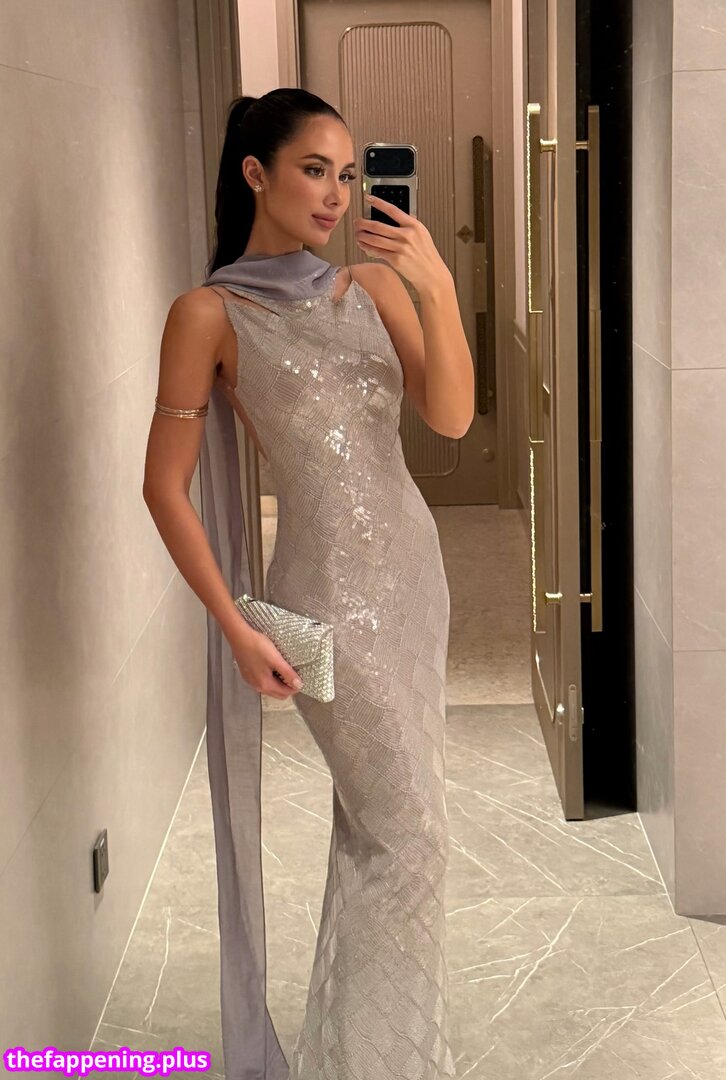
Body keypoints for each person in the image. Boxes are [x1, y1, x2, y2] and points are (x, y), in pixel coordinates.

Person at [142, 87, 474, 1080]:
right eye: (313, 170)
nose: (334, 194)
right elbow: (162, 488)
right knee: (410, 840)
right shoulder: (207, 314)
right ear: (257, 174)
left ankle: (354, 1054)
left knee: (384, 828)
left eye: (346, 175)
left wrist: (435, 286)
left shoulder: (370, 287)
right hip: (325, 600)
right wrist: (237, 626)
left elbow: (452, 418)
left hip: (415, 582)